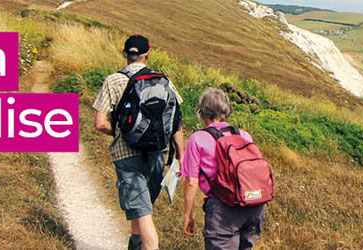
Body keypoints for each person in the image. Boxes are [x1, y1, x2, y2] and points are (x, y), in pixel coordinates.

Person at [93, 34, 185, 250]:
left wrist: (121, 132)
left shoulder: (112, 80)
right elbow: (175, 121)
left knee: (142, 211)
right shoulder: (163, 80)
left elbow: (99, 123)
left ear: (124, 53)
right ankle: (134, 246)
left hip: (127, 155)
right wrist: (181, 154)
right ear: (148, 54)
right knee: (142, 207)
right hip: (157, 152)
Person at [180, 88, 267, 250]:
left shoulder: (197, 138)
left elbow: (191, 182)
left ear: (202, 112)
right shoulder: (244, 135)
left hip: (224, 208)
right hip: (254, 206)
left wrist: (187, 215)